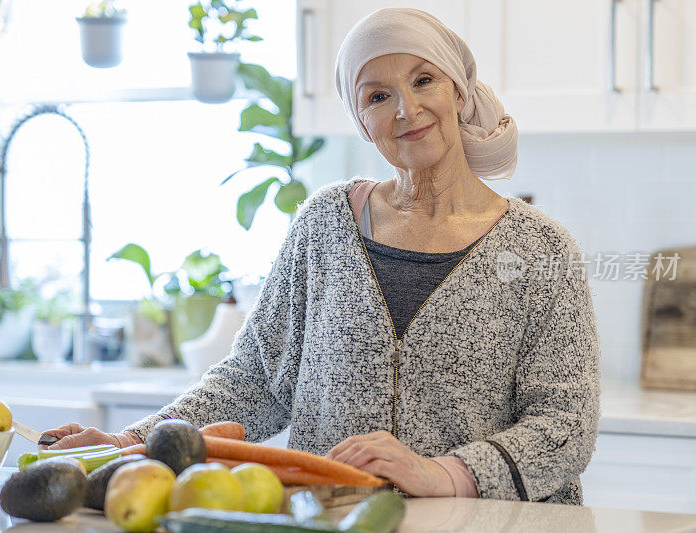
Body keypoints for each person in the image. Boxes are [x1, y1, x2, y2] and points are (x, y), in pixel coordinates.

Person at [44, 7, 600, 503]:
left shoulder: (539, 248)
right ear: (362, 121)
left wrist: (441, 473)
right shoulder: (324, 224)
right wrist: (138, 440)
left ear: (458, 91)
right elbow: (258, 378)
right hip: (333, 515)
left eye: (423, 80)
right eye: (378, 96)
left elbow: (566, 424)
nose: (406, 109)